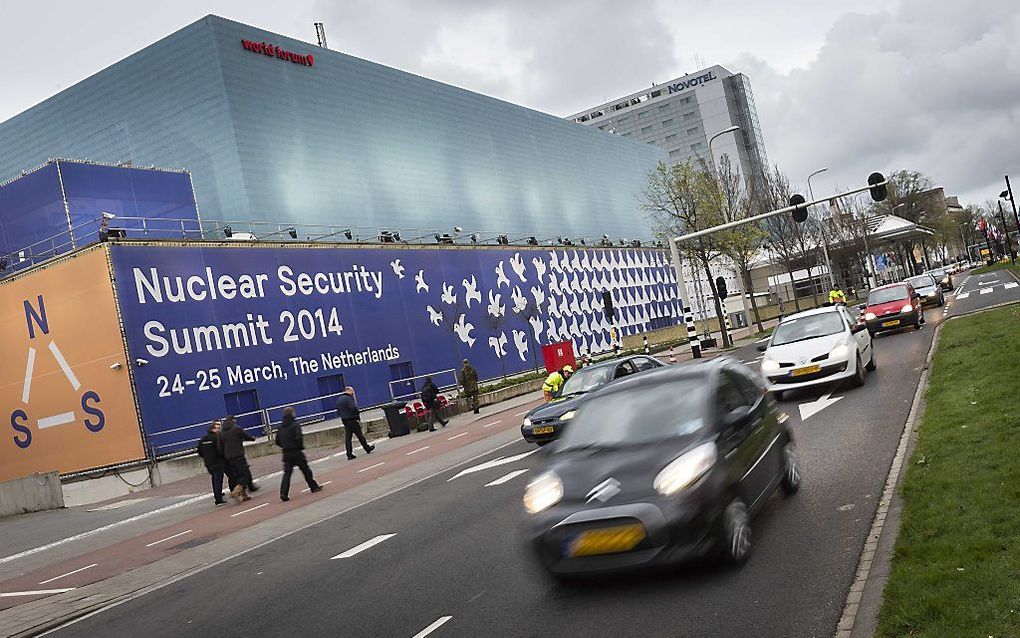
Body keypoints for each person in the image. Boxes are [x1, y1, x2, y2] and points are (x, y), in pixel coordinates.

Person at [275, 407, 322, 501]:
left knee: (287, 474)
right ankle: (313, 486)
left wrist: (284, 445)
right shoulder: (295, 424)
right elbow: (299, 437)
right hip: (296, 451)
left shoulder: (280, 427)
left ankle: (283, 493)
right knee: (306, 470)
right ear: (292, 413)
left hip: (286, 453)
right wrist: (300, 447)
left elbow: (277, 441)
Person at [218, 415, 258, 503]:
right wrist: (252, 438)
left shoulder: (221, 433)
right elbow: (246, 435)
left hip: (229, 458)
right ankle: (236, 491)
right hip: (238, 455)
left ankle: (244, 496)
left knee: (237, 476)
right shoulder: (236, 429)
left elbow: (220, 448)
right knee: (245, 475)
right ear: (233, 420)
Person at [337, 386, 375, 460]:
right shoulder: (349, 398)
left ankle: (349, 454)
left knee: (348, 438)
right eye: (352, 392)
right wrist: (357, 414)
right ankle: (367, 448)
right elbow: (353, 408)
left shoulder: (339, 399)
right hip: (352, 419)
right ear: (349, 391)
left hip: (345, 420)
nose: (353, 394)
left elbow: (338, 410)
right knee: (360, 435)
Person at [197, 420, 229, 506]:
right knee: (218, 479)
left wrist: (206, 457)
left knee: (215, 479)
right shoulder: (216, 438)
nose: (219, 430)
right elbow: (220, 449)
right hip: (217, 462)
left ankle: (218, 493)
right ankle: (218, 498)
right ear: (214, 429)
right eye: (218, 428)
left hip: (208, 463)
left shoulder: (203, 439)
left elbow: (199, 451)